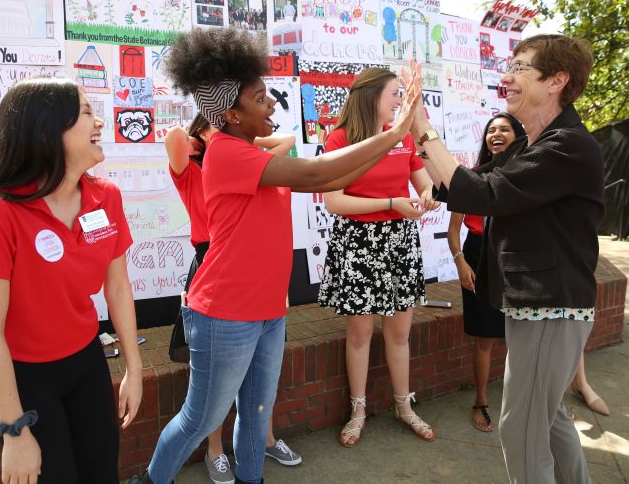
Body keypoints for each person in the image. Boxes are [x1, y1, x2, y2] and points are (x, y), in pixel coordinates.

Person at [129, 26, 422, 484]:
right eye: (260, 97)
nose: (272, 104)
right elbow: (317, 173)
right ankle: (151, 481)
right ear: (230, 114)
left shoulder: (247, 148)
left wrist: (393, 140)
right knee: (201, 419)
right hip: (224, 312)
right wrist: (399, 130)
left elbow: (327, 177)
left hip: (267, 310)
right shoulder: (227, 153)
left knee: (257, 412)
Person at [409, 34, 603, 484]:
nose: (507, 77)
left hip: (552, 307)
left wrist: (422, 125)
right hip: (534, 306)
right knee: (547, 419)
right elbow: (464, 182)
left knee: (521, 430)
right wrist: (418, 138)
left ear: (556, 80)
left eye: (520, 67)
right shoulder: (530, 146)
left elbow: (482, 194)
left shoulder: (568, 146)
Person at [0, 77, 143, 483]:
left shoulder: (105, 196)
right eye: (87, 113)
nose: (100, 123)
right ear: (46, 130)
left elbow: (119, 287)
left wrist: (134, 367)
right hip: (24, 378)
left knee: (101, 474)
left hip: (86, 363)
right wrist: (14, 430)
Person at [165, 115, 302, 484]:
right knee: (212, 389)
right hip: (212, 265)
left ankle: (262, 444)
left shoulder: (251, 164)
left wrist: (241, 146)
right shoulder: (194, 169)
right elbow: (174, 138)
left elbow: (287, 140)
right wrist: (209, 137)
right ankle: (214, 450)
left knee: (256, 387)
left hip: (257, 277)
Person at [317, 67, 439, 447]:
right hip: (356, 243)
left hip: (400, 241)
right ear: (371, 96)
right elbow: (334, 202)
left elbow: (425, 182)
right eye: (394, 94)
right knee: (359, 334)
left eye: (401, 95)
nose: (399, 102)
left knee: (399, 333)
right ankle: (358, 410)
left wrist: (426, 197)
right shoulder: (339, 139)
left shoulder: (400, 140)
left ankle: (404, 406)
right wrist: (390, 203)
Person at [447, 112, 524, 433]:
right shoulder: (472, 179)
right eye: (491, 130)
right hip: (477, 256)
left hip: (516, 257)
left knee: (522, 338)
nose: (497, 133)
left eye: (505, 129)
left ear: (517, 136)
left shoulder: (528, 176)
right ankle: (481, 401)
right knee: (485, 338)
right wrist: (460, 261)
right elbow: (453, 231)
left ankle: (523, 403)